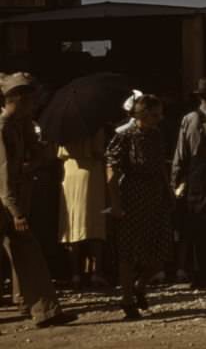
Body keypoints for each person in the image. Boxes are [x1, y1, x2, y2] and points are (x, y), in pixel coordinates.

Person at [0, 73, 76, 328]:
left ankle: (45, 311)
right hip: (6, 200)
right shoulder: (2, 128)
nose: (36, 104)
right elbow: (4, 175)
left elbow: (34, 158)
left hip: (12, 197)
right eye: (32, 100)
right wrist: (17, 212)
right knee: (26, 248)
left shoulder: (20, 125)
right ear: (19, 99)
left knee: (29, 250)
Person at [106, 94, 173, 320]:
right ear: (142, 115)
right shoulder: (124, 136)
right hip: (132, 197)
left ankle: (140, 285)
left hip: (155, 197)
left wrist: (168, 190)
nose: (159, 119)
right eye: (154, 115)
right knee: (129, 252)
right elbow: (112, 171)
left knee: (159, 250)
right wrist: (115, 203)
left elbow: (161, 165)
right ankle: (127, 300)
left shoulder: (155, 135)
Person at [171, 77, 206, 289]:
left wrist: (176, 179)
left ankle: (202, 273)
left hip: (196, 173)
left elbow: (181, 154)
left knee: (198, 224)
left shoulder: (189, 119)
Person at [57, 126, 108, 288]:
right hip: (91, 171)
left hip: (70, 172)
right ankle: (96, 272)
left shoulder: (63, 126)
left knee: (71, 223)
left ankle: (75, 274)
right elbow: (98, 151)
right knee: (95, 224)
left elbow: (60, 153)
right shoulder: (95, 126)